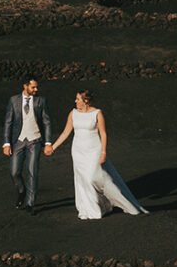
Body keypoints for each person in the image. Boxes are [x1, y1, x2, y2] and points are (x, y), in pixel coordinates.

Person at [45, 90, 148, 220]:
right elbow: (66, 132)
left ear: (86, 100)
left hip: (94, 150)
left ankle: (110, 202)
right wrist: (53, 147)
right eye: (76, 99)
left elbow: (103, 134)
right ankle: (91, 209)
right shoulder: (73, 113)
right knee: (83, 180)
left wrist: (103, 152)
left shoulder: (97, 113)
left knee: (93, 177)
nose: (75, 101)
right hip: (78, 151)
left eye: (78, 99)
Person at [1, 78, 50, 213]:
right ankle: (22, 190)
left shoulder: (41, 101)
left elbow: (46, 122)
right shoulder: (13, 100)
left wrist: (48, 142)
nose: (36, 90)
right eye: (33, 87)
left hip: (35, 140)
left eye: (37, 87)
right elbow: (8, 122)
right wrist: (6, 143)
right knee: (14, 172)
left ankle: (30, 203)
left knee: (32, 171)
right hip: (19, 140)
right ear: (25, 86)